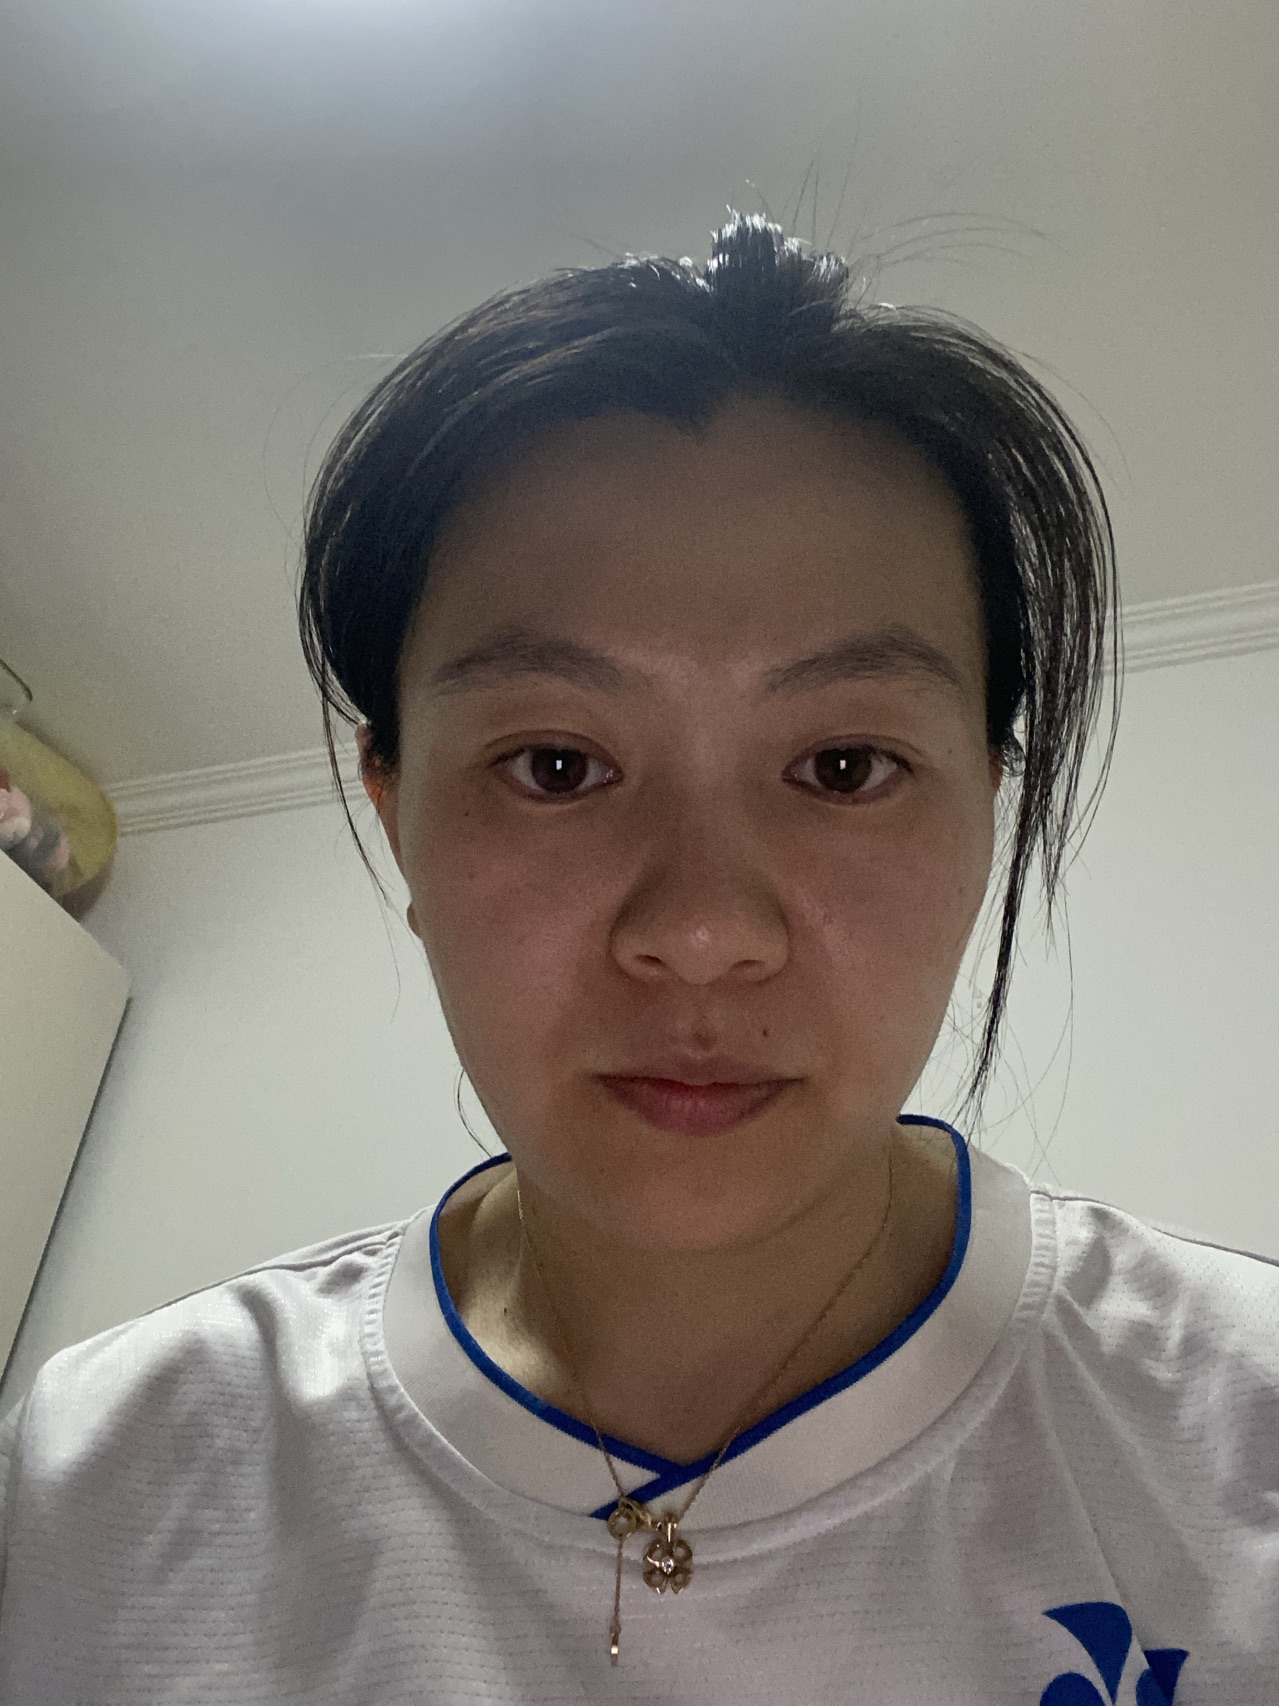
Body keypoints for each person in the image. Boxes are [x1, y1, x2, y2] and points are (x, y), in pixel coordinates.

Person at [0, 213, 1274, 1704]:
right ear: (399, 818)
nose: (701, 929)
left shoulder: (1238, 1424)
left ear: (985, 817)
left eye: (845, 765)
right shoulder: (93, 1479)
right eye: (556, 765)